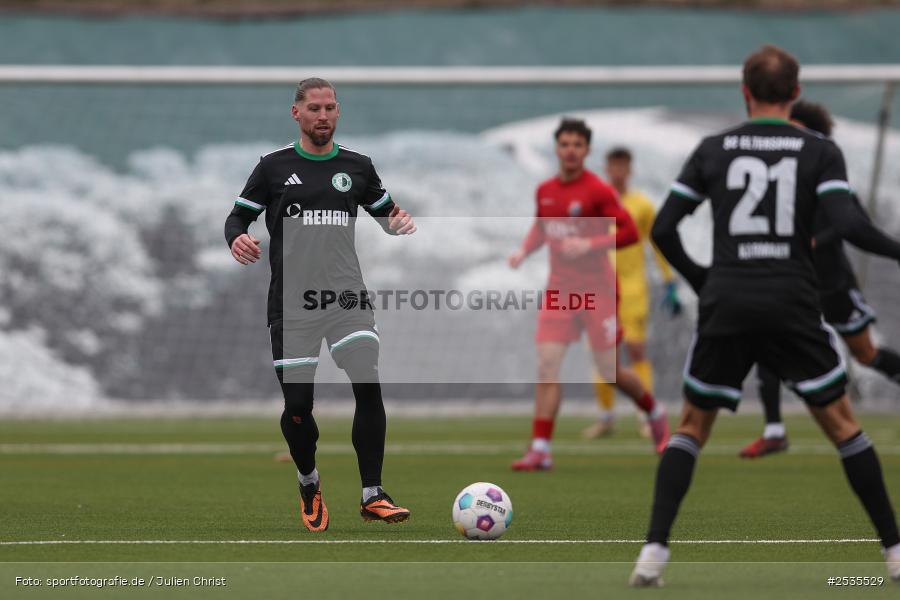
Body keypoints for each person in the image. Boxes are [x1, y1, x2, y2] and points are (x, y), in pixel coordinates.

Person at [630, 45, 900, 586]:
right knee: (845, 428)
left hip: (727, 300)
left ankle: (653, 555)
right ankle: (894, 554)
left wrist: (706, 280)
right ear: (796, 93)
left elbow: (662, 230)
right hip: (792, 299)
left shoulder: (712, 149)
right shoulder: (819, 151)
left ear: (744, 91)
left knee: (690, 429)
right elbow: (846, 223)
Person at [225, 78, 416, 532]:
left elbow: (386, 213)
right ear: (297, 113)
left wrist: (398, 221)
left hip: (347, 297)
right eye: (314, 108)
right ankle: (308, 481)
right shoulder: (272, 168)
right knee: (298, 408)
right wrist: (237, 238)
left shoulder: (358, 166)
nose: (323, 115)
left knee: (367, 383)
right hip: (292, 306)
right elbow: (237, 216)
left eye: (330, 107)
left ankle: (373, 493)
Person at [508, 118, 671, 472]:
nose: (570, 150)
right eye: (564, 144)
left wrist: (590, 242)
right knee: (547, 365)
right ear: (557, 148)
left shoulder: (597, 190)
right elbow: (541, 226)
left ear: (586, 150)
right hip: (559, 291)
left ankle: (653, 410)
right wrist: (524, 251)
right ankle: (540, 448)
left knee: (608, 370)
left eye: (577, 145)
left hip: (598, 292)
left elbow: (628, 232)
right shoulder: (546, 190)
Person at [740, 100, 900, 459]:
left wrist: (818, 239)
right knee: (765, 343)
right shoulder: (774, 178)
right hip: (791, 285)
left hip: (832, 283)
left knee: (865, 353)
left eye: (795, 128)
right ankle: (774, 431)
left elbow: (853, 224)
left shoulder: (827, 173)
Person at [583, 147, 682, 440]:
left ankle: (645, 413)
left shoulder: (641, 205)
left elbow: (657, 243)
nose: (617, 171)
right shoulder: (595, 203)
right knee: (602, 357)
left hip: (632, 288)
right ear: (606, 168)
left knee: (636, 349)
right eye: (613, 165)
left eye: (622, 165)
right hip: (598, 288)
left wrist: (669, 280)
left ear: (629, 169)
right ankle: (606, 417)